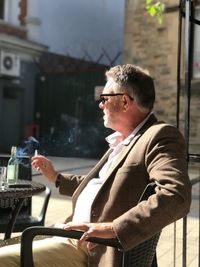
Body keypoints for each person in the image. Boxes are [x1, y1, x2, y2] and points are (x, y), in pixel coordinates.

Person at [0, 64, 191, 267]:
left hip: (91, 248)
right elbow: (107, 187)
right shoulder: (123, 140)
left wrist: (113, 228)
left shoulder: (159, 135)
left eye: (104, 98)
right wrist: (56, 177)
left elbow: (176, 196)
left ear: (125, 101)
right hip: (66, 233)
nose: (100, 105)